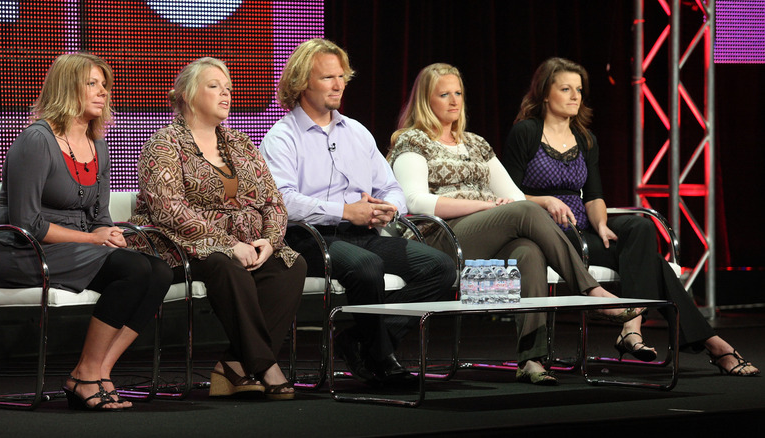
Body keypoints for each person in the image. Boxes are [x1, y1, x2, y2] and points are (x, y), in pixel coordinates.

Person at [388, 63, 646, 385]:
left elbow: (512, 195)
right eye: (444, 94)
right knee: (522, 213)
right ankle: (591, 291)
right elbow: (415, 202)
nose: (454, 101)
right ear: (426, 101)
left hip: (485, 235)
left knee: (528, 251)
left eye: (458, 93)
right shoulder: (413, 141)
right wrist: (484, 205)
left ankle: (531, 360)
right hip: (438, 240)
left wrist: (529, 203)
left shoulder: (476, 144)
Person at [503, 56, 759, 376]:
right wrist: (545, 202)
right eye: (565, 89)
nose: (574, 96)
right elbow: (508, 194)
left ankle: (632, 326)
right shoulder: (526, 132)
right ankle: (712, 343)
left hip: (584, 230)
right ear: (544, 93)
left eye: (579, 90)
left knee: (638, 226)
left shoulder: (584, 138)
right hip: (547, 231)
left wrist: (600, 225)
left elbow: (594, 195)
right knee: (656, 265)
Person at [260, 39, 457, 387]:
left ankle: (362, 340)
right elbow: (284, 203)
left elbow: (392, 188)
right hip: (310, 239)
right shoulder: (282, 137)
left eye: (342, 78)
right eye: (328, 78)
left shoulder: (356, 132)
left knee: (440, 266)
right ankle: (382, 359)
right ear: (302, 82)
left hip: (365, 234)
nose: (339, 86)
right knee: (367, 267)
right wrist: (345, 211)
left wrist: (389, 208)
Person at [0, 53, 173, 410]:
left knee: (158, 271)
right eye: (92, 84)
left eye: (104, 85)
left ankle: (98, 371)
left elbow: (100, 216)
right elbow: (28, 224)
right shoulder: (36, 141)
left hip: (77, 249)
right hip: (25, 252)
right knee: (133, 270)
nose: (103, 92)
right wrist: (94, 238)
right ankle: (86, 373)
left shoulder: (98, 145)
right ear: (66, 89)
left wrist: (109, 233)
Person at [130, 57, 307, 400]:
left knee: (291, 264)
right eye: (214, 87)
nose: (225, 94)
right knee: (229, 268)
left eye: (228, 88)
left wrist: (269, 242)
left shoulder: (241, 144)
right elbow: (168, 210)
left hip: (245, 241)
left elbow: (272, 202)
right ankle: (267, 367)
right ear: (186, 94)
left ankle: (234, 365)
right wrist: (226, 244)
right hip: (180, 243)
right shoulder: (165, 144)